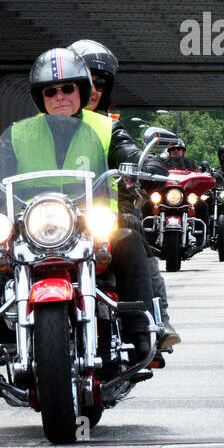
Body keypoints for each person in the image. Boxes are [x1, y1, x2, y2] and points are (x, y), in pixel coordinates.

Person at [0, 48, 163, 369]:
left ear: (81, 90)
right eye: (51, 91)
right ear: (41, 97)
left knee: (129, 241)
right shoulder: (21, 133)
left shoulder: (105, 128)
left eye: (68, 89)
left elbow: (128, 151)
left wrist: (142, 163)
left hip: (89, 229)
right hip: (32, 228)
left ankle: (143, 337)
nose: (60, 97)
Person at [69, 38, 180, 350]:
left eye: (100, 82)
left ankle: (155, 318)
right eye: (83, 80)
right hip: (52, 215)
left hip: (105, 212)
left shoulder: (109, 128)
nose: (92, 88)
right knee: (0, 244)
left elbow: (128, 150)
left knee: (132, 232)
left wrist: (149, 165)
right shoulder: (38, 126)